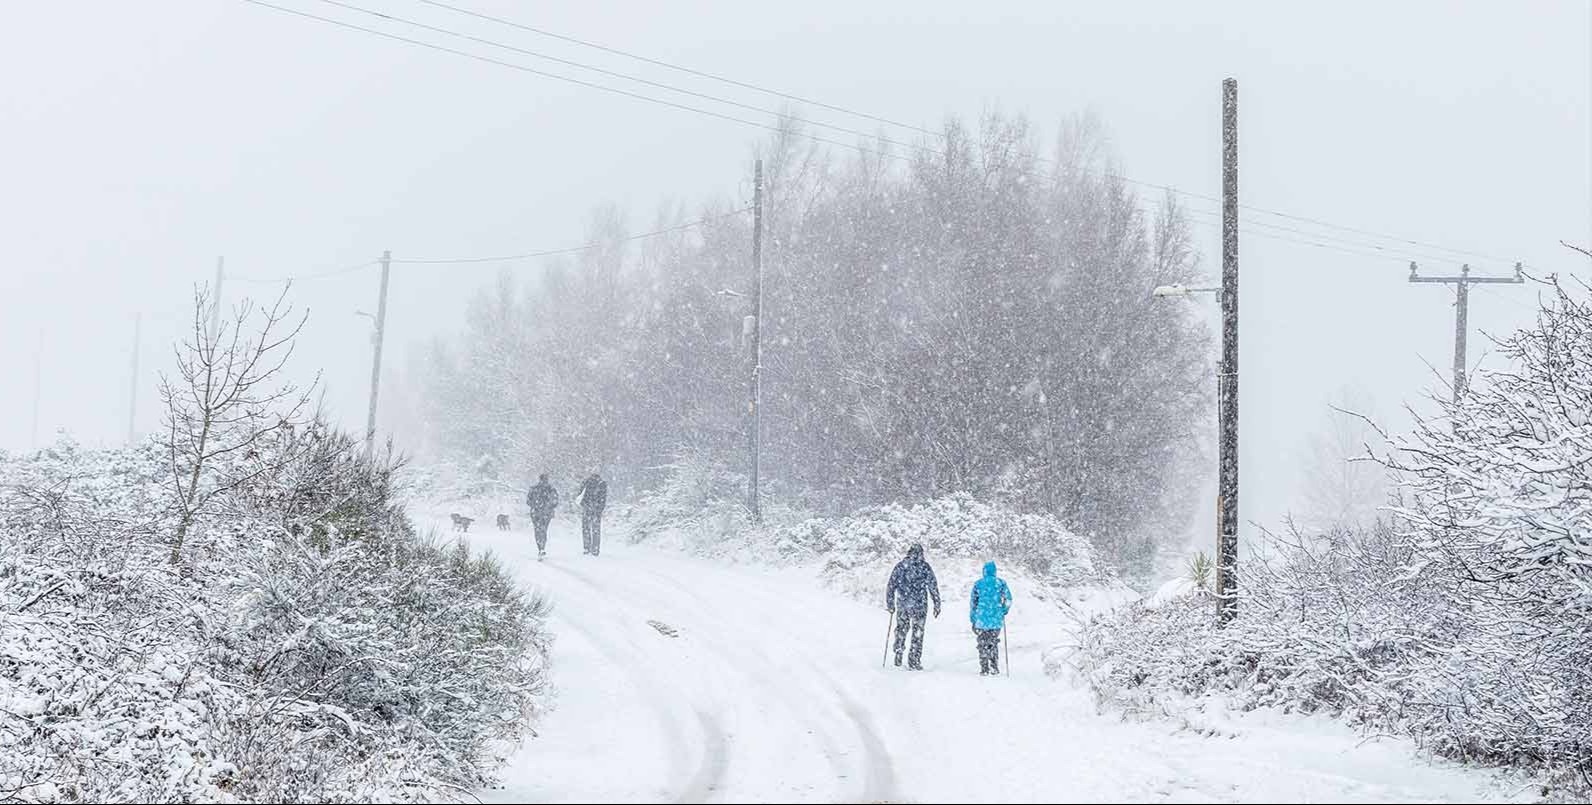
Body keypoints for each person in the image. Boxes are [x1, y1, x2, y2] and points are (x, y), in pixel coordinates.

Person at [884, 543, 941, 670]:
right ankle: (914, 660)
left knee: (901, 628)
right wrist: (936, 603)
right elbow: (933, 586)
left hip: (903, 604)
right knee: (918, 632)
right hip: (920, 605)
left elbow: (891, 586)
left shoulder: (900, 566)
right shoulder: (925, 567)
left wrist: (891, 604)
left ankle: (899, 650)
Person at [969, 560, 1012, 676]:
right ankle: (994, 666)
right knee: (993, 642)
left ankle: (984, 667)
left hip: (981, 620)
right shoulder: (1001, 583)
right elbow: (1008, 600)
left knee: (982, 643)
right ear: (995, 571)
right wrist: (1003, 610)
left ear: (984, 571)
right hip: (995, 620)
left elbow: (973, 604)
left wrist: (973, 619)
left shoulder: (978, 584)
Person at [525, 473, 558, 560]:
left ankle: (540, 548)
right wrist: (548, 507)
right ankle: (542, 547)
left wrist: (536, 506)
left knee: (537, 530)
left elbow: (528, 501)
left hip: (535, 512)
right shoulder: (551, 489)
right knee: (544, 530)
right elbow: (555, 501)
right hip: (546, 513)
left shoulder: (533, 488)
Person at [576, 472, 608, 556]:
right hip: (596, 510)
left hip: (587, 509)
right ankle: (595, 549)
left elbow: (580, 495)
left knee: (586, 528)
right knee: (596, 530)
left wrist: (585, 505)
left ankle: (587, 548)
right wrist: (600, 509)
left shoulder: (586, 482)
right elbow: (603, 498)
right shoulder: (602, 483)